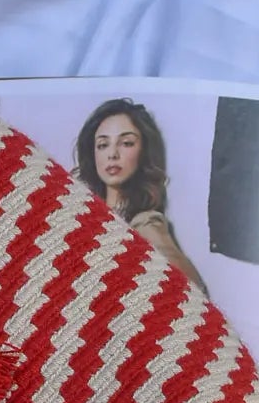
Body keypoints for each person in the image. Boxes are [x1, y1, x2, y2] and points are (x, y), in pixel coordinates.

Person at [73, 99, 205, 287]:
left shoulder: (145, 223)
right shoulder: (83, 215)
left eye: (126, 143)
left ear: (144, 151)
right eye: (103, 145)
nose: (112, 154)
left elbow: (191, 289)